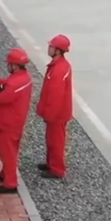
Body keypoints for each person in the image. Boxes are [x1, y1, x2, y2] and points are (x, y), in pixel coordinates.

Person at [0, 48, 34, 195]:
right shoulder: (23, 77)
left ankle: (10, 183)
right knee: (10, 151)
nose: (7, 66)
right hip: (15, 121)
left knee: (7, 153)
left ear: (14, 65)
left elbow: (0, 97)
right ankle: (5, 173)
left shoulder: (15, 83)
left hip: (8, 123)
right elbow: (7, 85)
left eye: (9, 64)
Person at [36, 34, 73, 179]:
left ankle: (57, 170)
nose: (49, 48)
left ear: (58, 50)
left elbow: (55, 96)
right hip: (56, 113)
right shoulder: (58, 65)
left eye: (51, 46)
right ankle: (51, 163)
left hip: (56, 114)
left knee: (56, 141)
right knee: (51, 139)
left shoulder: (58, 70)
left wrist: (49, 114)